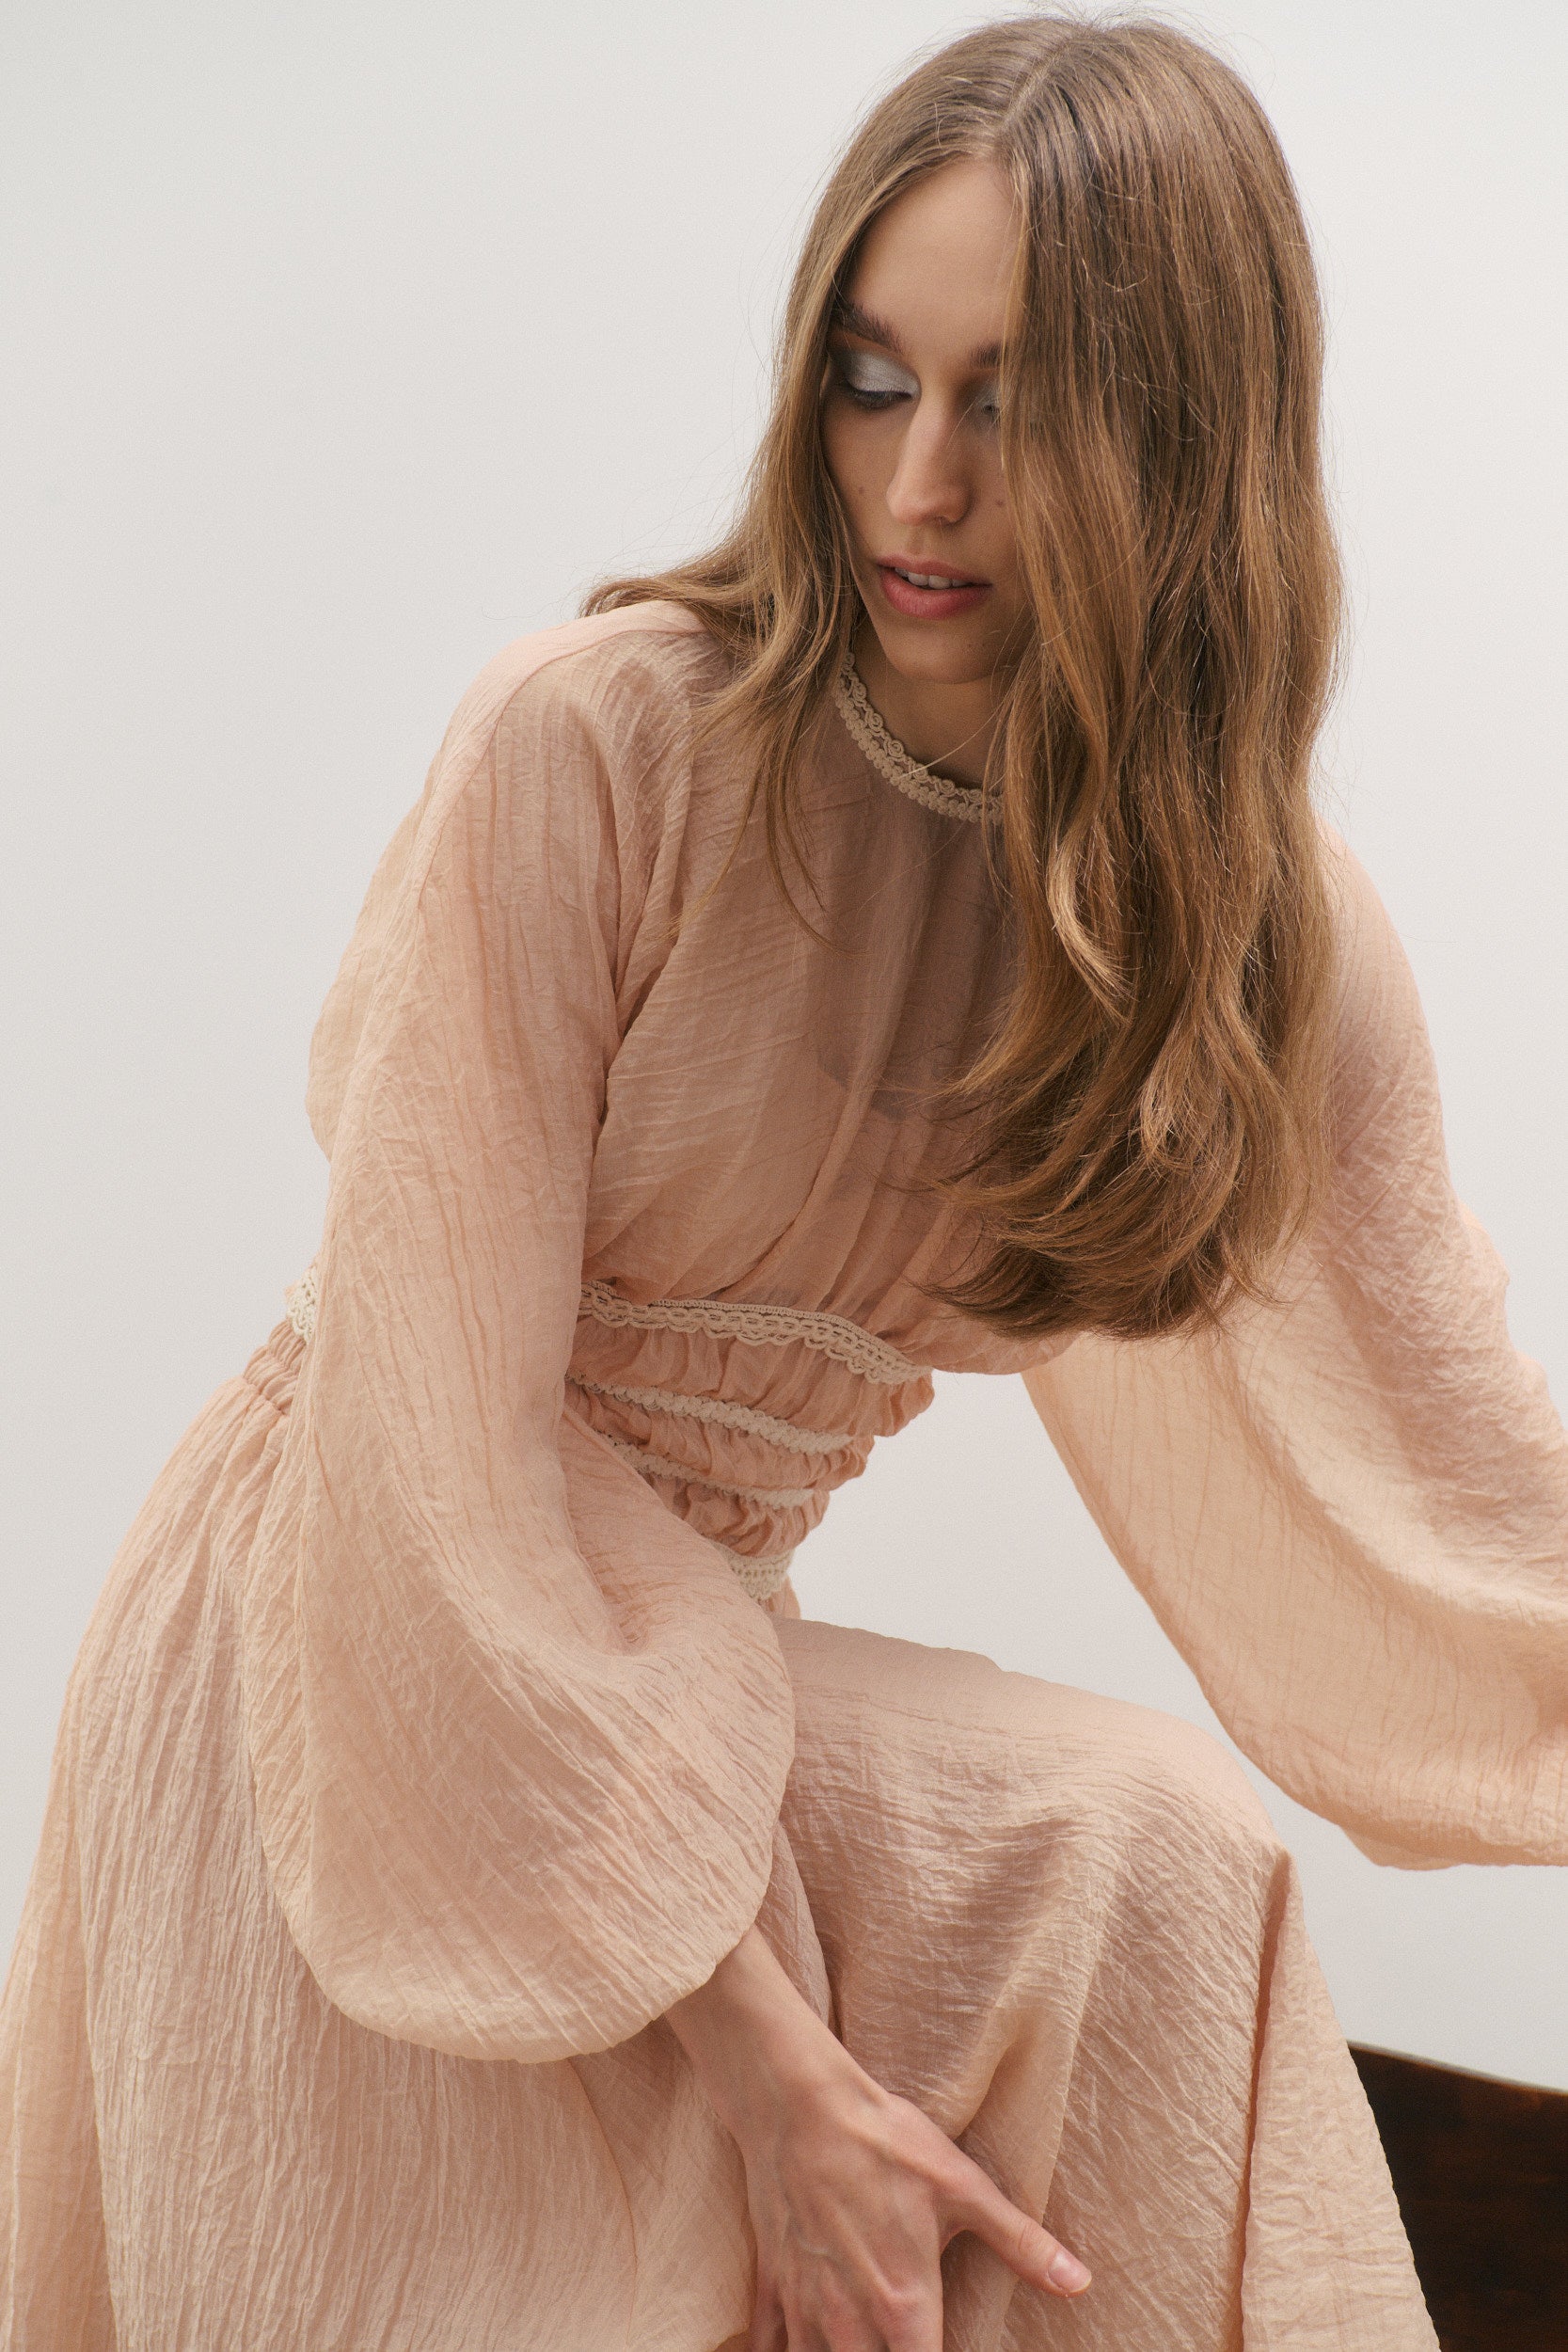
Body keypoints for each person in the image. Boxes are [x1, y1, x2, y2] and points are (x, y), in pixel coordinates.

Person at [3, 13, 1563, 2349]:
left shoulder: (1242, 935)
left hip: (669, 1692)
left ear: (1181, 446)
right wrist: (769, 2069)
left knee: (1146, 1896)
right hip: (340, 1685)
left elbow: (1464, 1498)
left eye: (1013, 400)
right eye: (870, 377)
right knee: (1105, 1866)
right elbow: (422, 1490)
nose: (917, 482)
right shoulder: (597, 745)